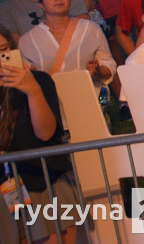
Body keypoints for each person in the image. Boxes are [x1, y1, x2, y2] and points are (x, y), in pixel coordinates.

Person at [0, 26, 79, 244]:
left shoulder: (39, 80)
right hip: (7, 188)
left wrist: (32, 90)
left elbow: (45, 133)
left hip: (44, 181)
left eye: (4, 50)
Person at [20, 0, 117, 90]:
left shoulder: (90, 29)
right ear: (41, 4)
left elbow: (108, 63)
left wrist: (98, 71)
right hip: (51, 101)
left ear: (70, 0)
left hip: (88, 94)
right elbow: (25, 74)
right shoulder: (28, 40)